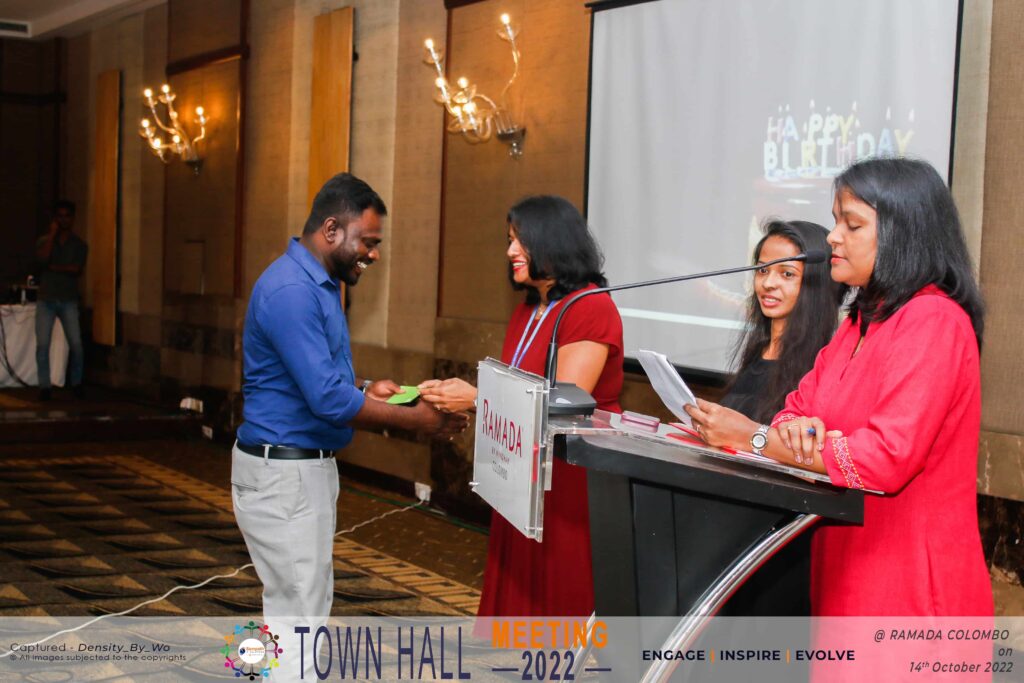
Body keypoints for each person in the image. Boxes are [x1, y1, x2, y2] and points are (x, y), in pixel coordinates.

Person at [695, 157, 992, 618]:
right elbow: (795, 408)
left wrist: (757, 439)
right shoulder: (859, 322)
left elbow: (885, 457)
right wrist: (797, 432)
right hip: (843, 567)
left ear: (901, 233)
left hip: (908, 584)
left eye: (851, 225)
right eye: (836, 221)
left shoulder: (934, 320)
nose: (833, 236)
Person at [232, 173, 467, 678]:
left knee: (295, 606)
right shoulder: (292, 290)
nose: (373, 255)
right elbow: (325, 398)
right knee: (299, 616)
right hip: (286, 476)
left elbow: (312, 379)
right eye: (368, 242)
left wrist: (365, 388)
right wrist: (416, 420)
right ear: (332, 230)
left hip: (293, 472)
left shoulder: (317, 284)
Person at [419, 195, 623, 618]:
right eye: (509, 240)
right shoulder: (530, 308)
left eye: (520, 241)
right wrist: (463, 400)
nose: (510, 251)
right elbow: (515, 390)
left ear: (552, 241)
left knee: (559, 598)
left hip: (570, 477)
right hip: (524, 470)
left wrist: (476, 399)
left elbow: (564, 405)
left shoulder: (590, 306)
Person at [684, 219, 844, 615]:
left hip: (776, 548)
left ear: (817, 285)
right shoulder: (759, 350)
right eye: (762, 270)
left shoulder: (824, 365)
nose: (768, 284)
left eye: (786, 274)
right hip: (729, 534)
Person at [35, 200, 87, 401]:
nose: (64, 220)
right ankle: (44, 386)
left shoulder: (79, 244)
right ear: (55, 218)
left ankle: (77, 383)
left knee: (76, 344)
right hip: (46, 299)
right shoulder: (44, 241)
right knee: (43, 345)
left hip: (68, 299)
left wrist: (55, 268)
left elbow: (76, 269)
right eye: (60, 216)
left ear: (72, 218)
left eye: (67, 216)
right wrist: (52, 236)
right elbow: (42, 260)